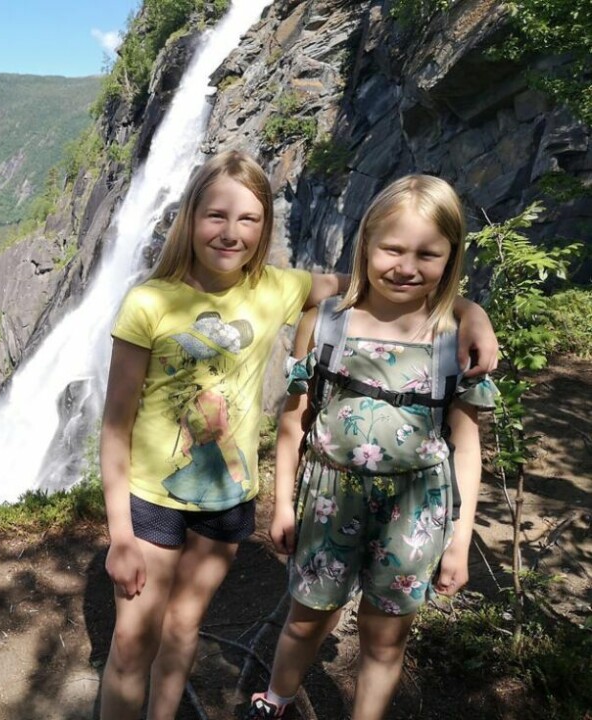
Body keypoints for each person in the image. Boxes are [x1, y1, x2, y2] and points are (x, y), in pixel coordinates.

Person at [99, 152, 496, 720]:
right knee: (133, 640)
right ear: (190, 217)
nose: (231, 233)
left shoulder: (273, 287)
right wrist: (119, 535)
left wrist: (470, 310)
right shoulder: (149, 302)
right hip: (150, 498)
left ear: (265, 228)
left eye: (249, 219)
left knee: (184, 628)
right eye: (216, 215)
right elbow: (115, 425)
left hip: (226, 497)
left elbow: (374, 284)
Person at [248, 174, 499, 720]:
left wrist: (459, 543)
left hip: (415, 512)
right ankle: (276, 700)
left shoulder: (454, 340)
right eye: (392, 249)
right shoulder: (326, 324)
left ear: (451, 256)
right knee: (307, 618)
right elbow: (293, 422)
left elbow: (466, 447)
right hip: (329, 500)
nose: (406, 267)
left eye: (427, 254)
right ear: (365, 244)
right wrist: (283, 504)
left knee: (385, 639)